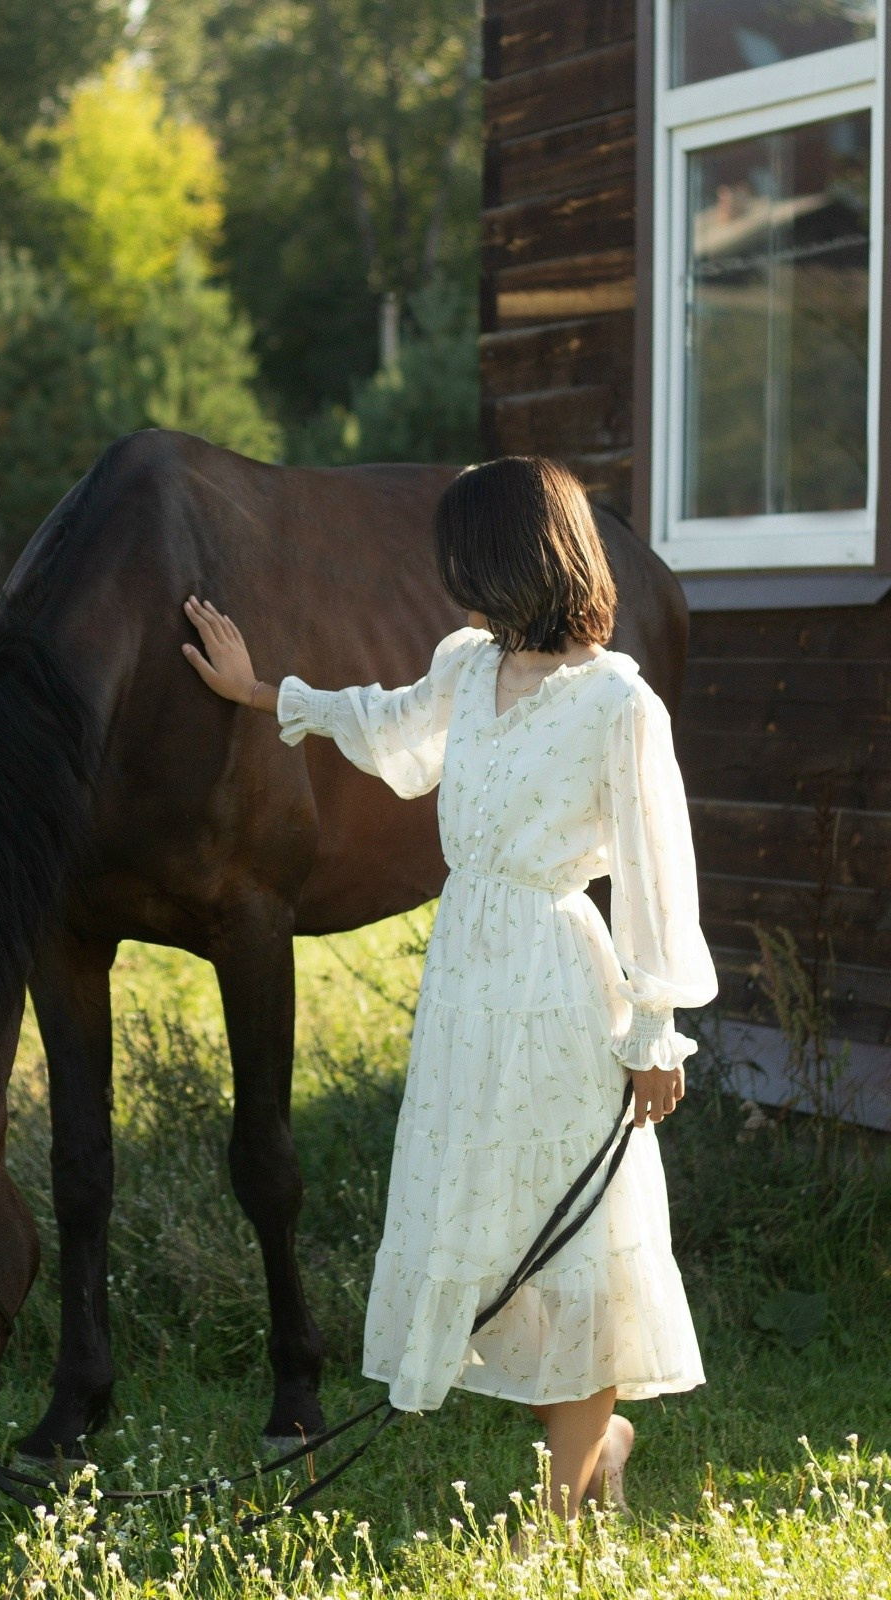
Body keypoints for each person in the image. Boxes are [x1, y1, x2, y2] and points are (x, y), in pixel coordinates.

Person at [180, 454, 718, 1529]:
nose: (449, 586)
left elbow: (658, 872)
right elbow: (385, 725)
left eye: (462, 564)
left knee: (571, 1238)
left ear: (520, 561)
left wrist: (655, 1033)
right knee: (486, 1222)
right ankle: (594, 1437)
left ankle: (561, 1512)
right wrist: (260, 692)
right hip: (466, 978)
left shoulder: (618, 703)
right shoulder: (468, 667)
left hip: (562, 982)